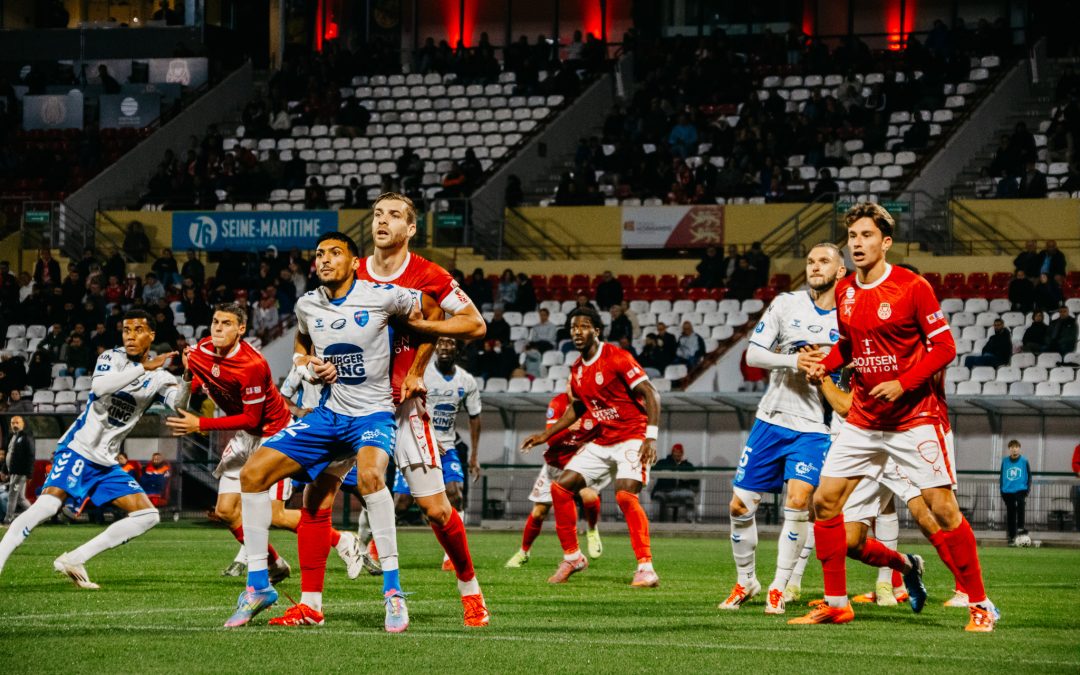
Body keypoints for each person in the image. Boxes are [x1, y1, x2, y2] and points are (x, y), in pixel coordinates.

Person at [796, 203, 996, 632]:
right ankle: (836, 604)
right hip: (865, 420)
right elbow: (848, 348)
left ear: (885, 242)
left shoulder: (912, 286)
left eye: (866, 236)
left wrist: (904, 383)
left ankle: (980, 604)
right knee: (824, 502)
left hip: (914, 417)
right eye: (852, 237)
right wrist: (824, 364)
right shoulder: (846, 291)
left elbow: (944, 349)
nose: (857, 244)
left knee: (942, 510)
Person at [221, 232, 432, 630]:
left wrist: (416, 369)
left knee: (371, 478)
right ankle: (258, 586)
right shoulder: (307, 305)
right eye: (320, 254)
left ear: (356, 262)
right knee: (253, 475)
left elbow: (432, 312)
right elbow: (302, 343)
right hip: (328, 415)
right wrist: (307, 363)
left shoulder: (382, 296)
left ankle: (393, 591)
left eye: (336, 253)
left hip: (372, 416)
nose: (325, 259)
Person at [354, 193, 490, 627]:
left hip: (403, 404)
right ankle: (309, 601)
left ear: (410, 229)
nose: (383, 221)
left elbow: (475, 324)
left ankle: (469, 588)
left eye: (394, 216)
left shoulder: (429, 274)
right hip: (352, 402)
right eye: (378, 214)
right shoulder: (352, 272)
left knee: (435, 509)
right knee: (313, 491)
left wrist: (423, 328)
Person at [164, 303, 363, 587]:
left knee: (276, 515)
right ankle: (275, 565)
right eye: (216, 322)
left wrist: (200, 425)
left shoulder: (251, 364)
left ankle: (342, 539)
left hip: (273, 435)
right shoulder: (198, 353)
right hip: (246, 436)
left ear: (241, 329)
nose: (219, 328)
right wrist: (186, 375)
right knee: (226, 511)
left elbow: (251, 417)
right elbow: (183, 401)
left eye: (227, 323)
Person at [0, 311, 178, 587]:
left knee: (147, 515)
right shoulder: (111, 357)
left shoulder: (160, 377)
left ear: (151, 335)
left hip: (106, 462)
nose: (130, 335)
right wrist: (145, 367)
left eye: (138, 329)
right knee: (48, 505)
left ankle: (76, 558)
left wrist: (189, 378)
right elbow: (99, 386)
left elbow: (179, 404)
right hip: (78, 449)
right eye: (126, 330)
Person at [718, 243, 844, 615]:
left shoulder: (849, 316)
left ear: (840, 271)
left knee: (797, 503)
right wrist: (794, 359)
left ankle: (779, 584)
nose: (815, 266)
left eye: (824, 261)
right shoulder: (786, 303)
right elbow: (753, 354)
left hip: (814, 428)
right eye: (810, 261)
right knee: (740, 506)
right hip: (771, 419)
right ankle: (747, 582)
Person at [521, 307, 662, 587]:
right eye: (573, 327)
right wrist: (545, 436)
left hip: (632, 436)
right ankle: (573, 557)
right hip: (604, 440)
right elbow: (577, 409)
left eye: (584, 326)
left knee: (625, 496)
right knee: (560, 489)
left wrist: (651, 437)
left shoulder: (617, 357)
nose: (577, 332)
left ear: (596, 331)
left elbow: (649, 392)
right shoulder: (578, 369)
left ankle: (646, 568)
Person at [391, 337, 482, 571]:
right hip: (416, 440)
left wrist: (473, 456)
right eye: (440, 342)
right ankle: (372, 543)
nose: (445, 347)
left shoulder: (467, 381)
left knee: (456, 495)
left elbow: (475, 417)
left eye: (451, 342)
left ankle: (450, 556)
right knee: (400, 504)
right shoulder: (421, 372)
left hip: (447, 446)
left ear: (457, 349)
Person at [506, 391, 607, 568]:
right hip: (554, 465)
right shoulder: (558, 403)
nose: (572, 387)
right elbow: (551, 441)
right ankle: (523, 552)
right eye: (569, 383)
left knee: (589, 496)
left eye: (575, 384)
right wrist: (568, 428)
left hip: (579, 465)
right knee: (538, 512)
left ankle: (592, 530)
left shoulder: (596, 407)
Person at [651, 444, 699, 522]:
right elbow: (652, 472)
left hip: (681, 492)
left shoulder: (688, 465)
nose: (677, 454)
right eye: (675, 452)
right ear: (672, 452)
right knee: (658, 498)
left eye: (679, 452)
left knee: (690, 497)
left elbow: (696, 482)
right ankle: (657, 523)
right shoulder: (663, 463)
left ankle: (691, 523)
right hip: (664, 491)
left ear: (682, 453)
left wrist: (687, 478)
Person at [1000, 440, 1031, 545]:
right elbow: (1002, 477)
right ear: (1009, 449)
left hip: (1020, 490)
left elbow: (1029, 476)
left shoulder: (1024, 461)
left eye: (1016, 447)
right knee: (1011, 513)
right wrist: (1002, 491)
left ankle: (1021, 529)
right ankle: (1012, 536)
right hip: (1008, 491)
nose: (1014, 449)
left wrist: (1026, 490)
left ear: (1019, 448)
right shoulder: (1005, 461)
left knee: (1021, 506)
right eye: (1012, 447)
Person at [3, 416, 34, 524]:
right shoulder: (12, 436)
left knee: (12, 495)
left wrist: (29, 474)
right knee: (20, 498)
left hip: (20, 473)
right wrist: (4, 470)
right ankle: (36, 516)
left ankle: (8, 519)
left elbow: (30, 456)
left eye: (17, 422)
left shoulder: (26, 437)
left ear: (22, 424)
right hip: (13, 472)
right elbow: (9, 454)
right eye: (12, 423)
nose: (15, 425)